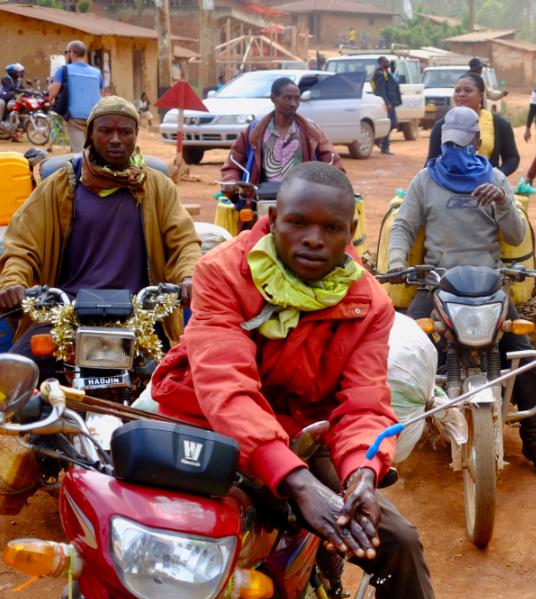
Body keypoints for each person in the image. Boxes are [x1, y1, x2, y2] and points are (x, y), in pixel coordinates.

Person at [152, 163, 438, 599]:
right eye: (298, 222)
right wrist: (297, 481)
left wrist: (361, 473)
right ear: (272, 217)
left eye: (332, 228)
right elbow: (227, 389)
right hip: (209, 428)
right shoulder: (222, 273)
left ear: (351, 232)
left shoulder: (368, 302)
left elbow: (364, 404)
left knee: (397, 542)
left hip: (304, 436)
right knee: (160, 537)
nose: (313, 238)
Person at [389, 107, 536, 479]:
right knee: (403, 354)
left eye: (462, 143)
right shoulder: (425, 180)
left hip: (490, 285)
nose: (454, 149)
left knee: (524, 358)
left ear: (478, 143)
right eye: (449, 142)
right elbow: (403, 226)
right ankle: (395, 440)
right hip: (435, 283)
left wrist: (502, 201)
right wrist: (398, 261)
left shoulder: (495, 178)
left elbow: (515, 236)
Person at [0, 96, 201, 364]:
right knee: (15, 382)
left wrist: (189, 277)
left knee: (177, 385)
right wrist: (13, 282)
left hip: (142, 315)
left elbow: (184, 243)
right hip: (65, 315)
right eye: (106, 131)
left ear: (135, 136)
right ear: (90, 135)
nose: (116, 139)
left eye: (125, 132)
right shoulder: (59, 186)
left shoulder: (159, 187)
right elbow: (23, 247)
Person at [221, 77, 344, 190]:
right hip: (261, 197)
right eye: (287, 98)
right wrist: (231, 181)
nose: (293, 103)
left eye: (297, 98)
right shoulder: (254, 130)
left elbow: (332, 163)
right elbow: (233, 163)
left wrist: (334, 184)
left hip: (302, 198)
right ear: (273, 98)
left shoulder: (311, 131)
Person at [425, 72, 519, 176]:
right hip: (450, 187)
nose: (461, 94)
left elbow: (512, 158)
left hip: (486, 189)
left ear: (481, 96)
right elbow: (431, 162)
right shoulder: (441, 125)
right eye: (457, 90)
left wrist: (496, 176)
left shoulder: (499, 124)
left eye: (468, 90)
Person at [47, 40, 104, 153]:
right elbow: (101, 93)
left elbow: (53, 93)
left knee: (79, 154)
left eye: (66, 52)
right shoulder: (96, 72)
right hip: (94, 118)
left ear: (71, 53)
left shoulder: (64, 70)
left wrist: (50, 97)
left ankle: (81, 169)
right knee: (92, 153)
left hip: (74, 120)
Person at [371, 57, 402, 155]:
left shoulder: (386, 72)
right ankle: (384, 146)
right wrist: (387, 102)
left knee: (392, 124)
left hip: (390, 103)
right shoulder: (380, 74)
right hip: (386, 104)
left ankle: (380, 142)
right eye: (385, 62)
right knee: (391, 124)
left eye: (388, 61)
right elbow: (381, 90)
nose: (388, 63)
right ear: (380, 63)